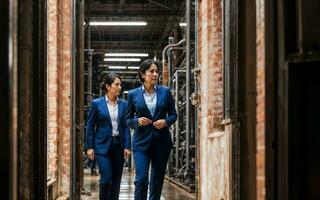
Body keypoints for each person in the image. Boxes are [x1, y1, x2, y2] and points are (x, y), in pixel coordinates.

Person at [125, 59, 178, 200]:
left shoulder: (165, 92)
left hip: (162, 142)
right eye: (151, 71)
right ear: (143, 74)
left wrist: (165, 121)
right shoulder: (132, 94)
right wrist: (138, 121)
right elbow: (127, 120)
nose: (155, 74)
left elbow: (174, 115)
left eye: (157, 71)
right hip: (141, 143)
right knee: (141, 179)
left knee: (157, 179)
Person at [86, 73, 131, 200]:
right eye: (116, 84)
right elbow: (90, 126)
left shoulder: (124, 104)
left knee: (116, 180)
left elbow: (126, 126)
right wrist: (89, 147)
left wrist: (128, 146)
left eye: (120, 85)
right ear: (108, 86)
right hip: (101, 146)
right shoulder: (96, 104)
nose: (119, 87)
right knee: (106, 178)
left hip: (119, 145)